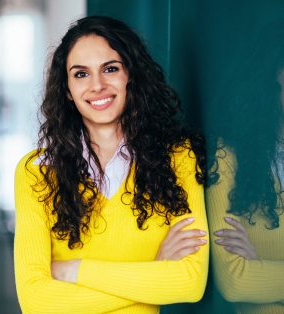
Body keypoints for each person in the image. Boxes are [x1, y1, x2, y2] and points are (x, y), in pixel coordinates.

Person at [14, 16, 208, 313]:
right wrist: (153, 272)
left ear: (131, 75)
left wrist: (74, 270)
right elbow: (35, 302)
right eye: (81, 74)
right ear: (67, 89)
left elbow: (189, 283)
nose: (98, 86)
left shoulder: (179, 158)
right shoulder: (37, 171)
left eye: (110, 69)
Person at [206, 21, 284, 314]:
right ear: (270, 78)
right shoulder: (226, 158)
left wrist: (261, 268)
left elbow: (251, 277)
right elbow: (235, 283)